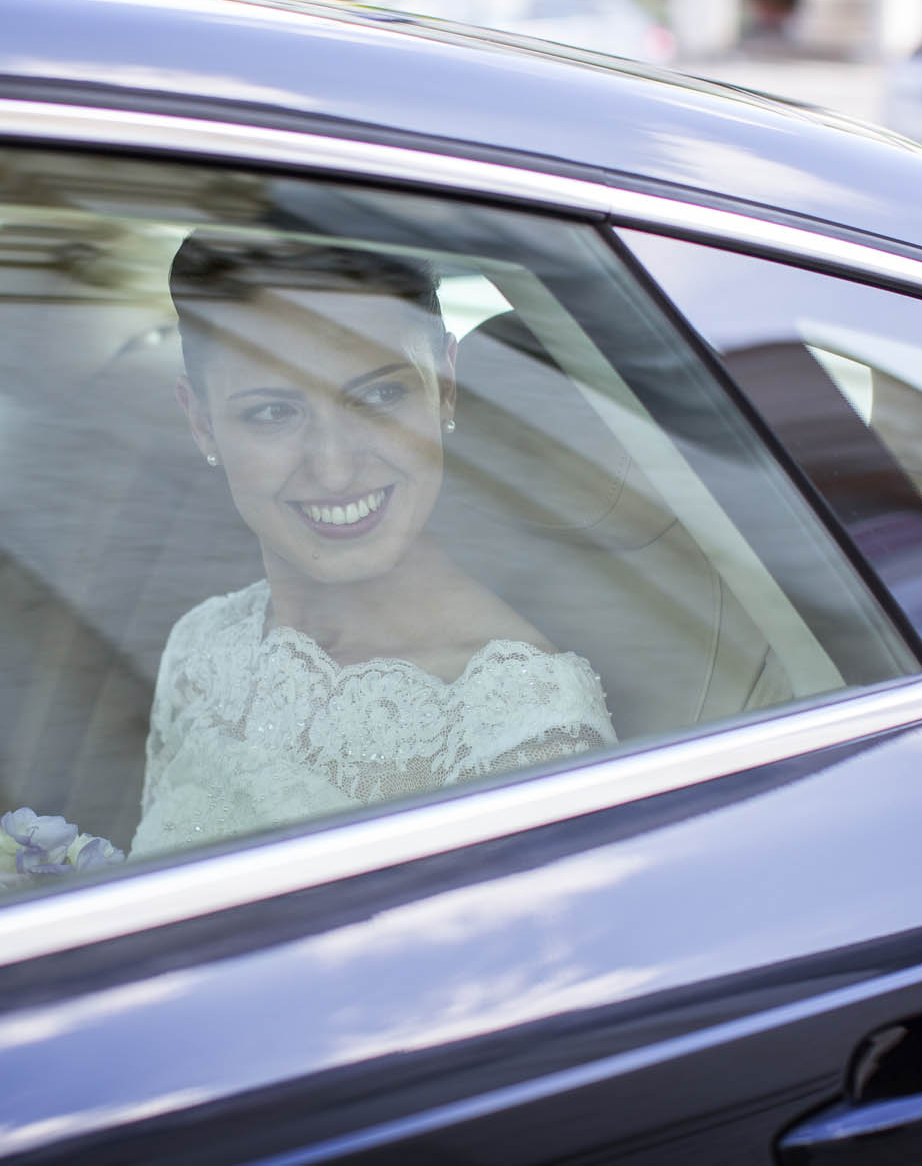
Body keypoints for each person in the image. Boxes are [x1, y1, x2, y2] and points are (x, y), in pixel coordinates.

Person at [132, 234, 615, 856]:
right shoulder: (203, 644)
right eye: (274, 413)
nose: (334, 469)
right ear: (201, 422)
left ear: (444, 385)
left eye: (382, 395)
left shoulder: (525, 731)